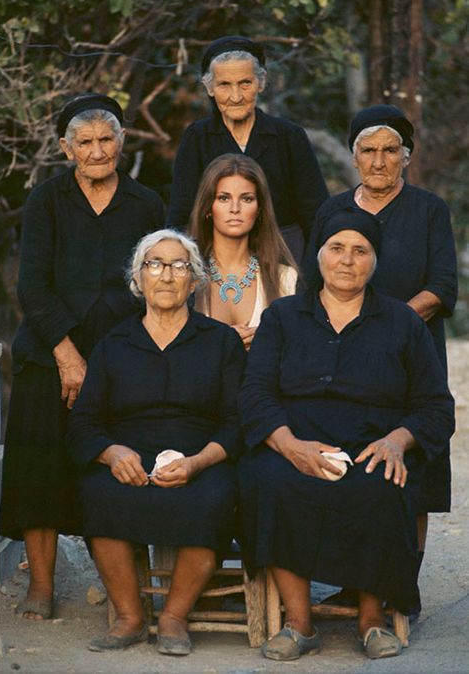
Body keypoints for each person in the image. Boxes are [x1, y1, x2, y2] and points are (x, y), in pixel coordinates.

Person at [238, 209, 454, 662]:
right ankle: (299, 625)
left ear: (375, 261)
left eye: (361, 251)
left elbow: (435, 407)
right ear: (318, 256)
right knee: (269, 482)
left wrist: (399, 440)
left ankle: (371, 620)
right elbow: (254, 395)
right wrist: (289, 445)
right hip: (294, 446)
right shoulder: (283, 317)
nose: (347, 260)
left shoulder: (402, 322)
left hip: (371, 448)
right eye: (336, 248)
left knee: (382, 485)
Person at [0, 93, 164, 621]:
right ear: (66, 148)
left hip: (120, 351)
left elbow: (149, 281)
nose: (97, 151)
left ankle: (126, 594)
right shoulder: (47, 199)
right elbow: (33, 286)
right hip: (50, 351)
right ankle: (41, 587)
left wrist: (106, 356)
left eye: (106, 139)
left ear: (122, 141)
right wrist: (69, 355)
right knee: (39, 466)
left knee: (123, 465)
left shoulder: (146, 203)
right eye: (85, 142)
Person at [302, 104, 458, 597]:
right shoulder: (332, 211)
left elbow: (442, 287)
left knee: (413, 473)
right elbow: (313, 282)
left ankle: (402, 585)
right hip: (343, 354)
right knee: (354, 460)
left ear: (406, 157)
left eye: (390, 150)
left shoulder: (429, 209)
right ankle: (357, 581)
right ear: (353, 157)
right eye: (368, 151)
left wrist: (393, 325)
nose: (379, 161)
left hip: (414, 353)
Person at [67, 230, 246, 655]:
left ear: (195, 280)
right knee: (96, 490)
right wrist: (112, 453)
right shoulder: (114, 344)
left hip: (200, 459)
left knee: (217, 497)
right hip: (130, 459)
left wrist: (199, 463)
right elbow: (84, 423)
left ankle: (174, 617)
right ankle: (130, 617)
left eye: (179, 265)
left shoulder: (220, 342)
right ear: (138, 279)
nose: (166, 275)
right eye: (155, 264)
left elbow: (239, 422)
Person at [167, 35, 329, 261]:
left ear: (260, 83)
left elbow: (315, 212)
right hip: (216, 259)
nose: (236, 97)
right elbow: (181, 213)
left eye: (245, 83)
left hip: (285, 255)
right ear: (210, 88)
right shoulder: (197, 137)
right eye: (224, 84)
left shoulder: (288, 136)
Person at [188, 153, 298, 350]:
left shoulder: (285, 279)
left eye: (246, 199)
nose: (235, 208)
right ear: (208, 208)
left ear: (260, 209)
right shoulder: (184, 276)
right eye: (223, 198)